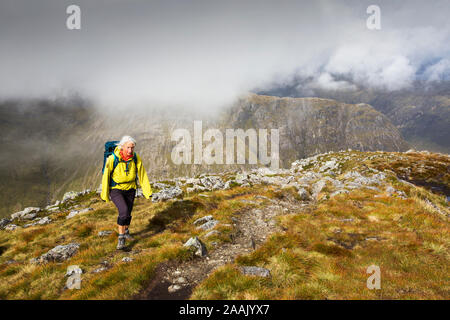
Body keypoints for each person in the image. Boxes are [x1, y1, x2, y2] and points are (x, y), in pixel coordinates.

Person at [101, 136, 152, 250]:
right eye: (128, 147)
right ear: (122, 147)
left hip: (131, 188)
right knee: (123, 211)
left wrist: (147, 191)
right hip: (116, 189)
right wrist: (104, 194)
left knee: (128, 212)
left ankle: (127, 230)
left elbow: (142, 174)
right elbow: (105, 177)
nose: (130, 150)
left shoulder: (135, 157)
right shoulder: (112, 159)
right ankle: (121, 238)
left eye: (132, 148)